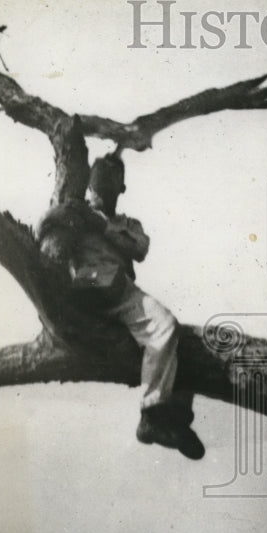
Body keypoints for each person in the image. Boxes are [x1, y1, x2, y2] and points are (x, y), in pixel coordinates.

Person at [38, 153, 205, 460]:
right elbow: (45, 230)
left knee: (167, 325)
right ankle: (158, 414)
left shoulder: (126, 224)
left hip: (121, 292)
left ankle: (167, 418)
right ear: (89, 185)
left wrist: (101, 225)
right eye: (98, 184)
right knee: (145, 311)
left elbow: (140, 247)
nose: (102, 191)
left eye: (109, 185)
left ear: (121, 189)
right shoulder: (76, 212)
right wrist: (63, 214)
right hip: (84, 288)